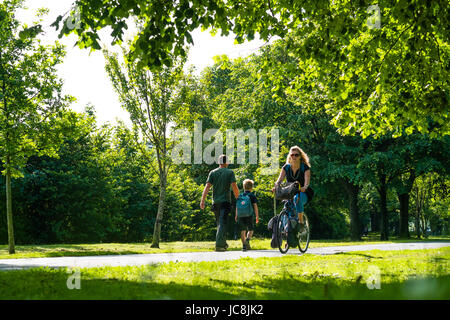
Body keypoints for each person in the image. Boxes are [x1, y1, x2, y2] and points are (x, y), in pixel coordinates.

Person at [200, 154, 239, 252]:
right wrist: (238, 198)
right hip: (225, 202)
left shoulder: (212, 172)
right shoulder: (230, 172)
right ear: (227, 162)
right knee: (222, 223)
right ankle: (219, 245)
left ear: (218, 162)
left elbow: (207, 187)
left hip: (216, 202)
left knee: (220, 223)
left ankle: (223, 243)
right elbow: (234, 186)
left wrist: (202, 201)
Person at [272, 146, 311, 225]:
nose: (294, 157)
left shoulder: (305, 167)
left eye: (296, 155)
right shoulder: (286, 167)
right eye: (292, 155)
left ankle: (301, 222)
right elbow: (279, 180)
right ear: (289, 156)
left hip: (302, 192)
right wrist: (275, 187)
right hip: (290, 192)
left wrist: (305, 187)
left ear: (300, 156)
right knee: (286, 208)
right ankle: (285, 229)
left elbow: (307, 182)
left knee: (297, 199)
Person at [235, 179, 259, 251]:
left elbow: (237, 206)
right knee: (251, 230)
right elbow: (255, 206)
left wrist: (236, 215)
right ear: (251, 187)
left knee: (242, 230)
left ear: (244, 187)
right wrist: (257, 216)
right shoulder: (252, 196)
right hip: (249, 215)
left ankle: (244, 246)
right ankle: (247, 240)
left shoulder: (240, 196)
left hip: (240, 215)